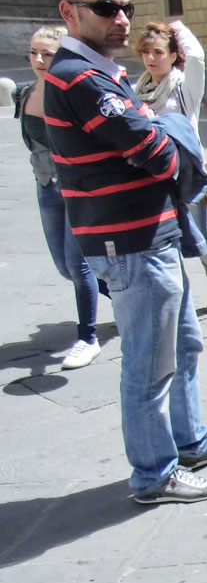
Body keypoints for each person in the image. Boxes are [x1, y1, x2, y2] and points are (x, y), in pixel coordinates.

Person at [44, 0, 207, 504]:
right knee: (148, 363)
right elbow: (156, 149)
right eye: (106, 8)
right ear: (70, 12)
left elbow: (149, 135)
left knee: (182, 345)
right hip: (129, 243)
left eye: (126, 8)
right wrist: (172, 131)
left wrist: (162, 130)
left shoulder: (103, 74)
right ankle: (155, 475)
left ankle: (190, 441)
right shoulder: (80, 78)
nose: (121, 18)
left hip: (150, 234)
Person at [14, 24, 103, 370]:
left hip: (76, 189)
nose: (38, 59)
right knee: (64, 266)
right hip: (46, 186)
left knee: (78, 265)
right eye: (34, 52)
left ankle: (88, 337)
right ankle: (123, 294)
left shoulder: (71, 94)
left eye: (47, 53)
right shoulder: (24, 94)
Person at [132, 20, 207, 313]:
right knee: (161, 241)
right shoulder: (137, 89)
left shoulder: (184, 88)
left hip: (185, 174)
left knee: (198, 237)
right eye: (146, 52)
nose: (151, 58)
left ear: (174, 55)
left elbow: (198, 58)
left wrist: (178, 28)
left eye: (159, 52)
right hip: (151, 176)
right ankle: (172, 299)